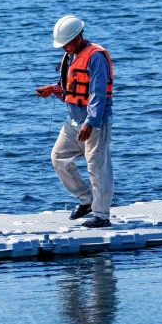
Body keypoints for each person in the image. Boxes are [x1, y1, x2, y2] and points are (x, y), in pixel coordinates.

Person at [36, 15, 114, 228]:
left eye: (66, 43)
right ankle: (86, 199)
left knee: (97, 167)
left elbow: (97, 93)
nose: (63, 48)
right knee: (58, 157)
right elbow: (70, 85)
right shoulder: (70, 56)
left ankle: (101, 215)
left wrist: (91, 122)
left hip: (94, 123)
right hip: (73, 122)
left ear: (79, 37)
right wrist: (52, 89)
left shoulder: (95, 57)